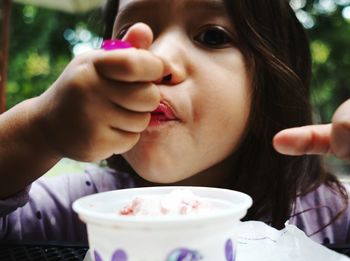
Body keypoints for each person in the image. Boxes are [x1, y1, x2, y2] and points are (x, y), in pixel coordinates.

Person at [0, 0, 349, 245]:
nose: (158, 57)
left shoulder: (327, 213)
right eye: (130, 35)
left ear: (269, 86)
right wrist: (39, 131)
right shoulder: (83, 207)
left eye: (211, 36)